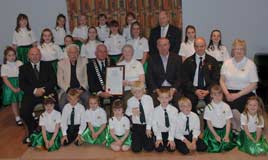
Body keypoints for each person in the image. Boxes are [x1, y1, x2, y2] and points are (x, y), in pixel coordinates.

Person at [19, 47, 58, 144]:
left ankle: (52, 132)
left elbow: (53, 81)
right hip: (31, 94)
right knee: (24, 111)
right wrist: (35, 90)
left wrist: (43, 89)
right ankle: (33, 131)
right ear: (28, 56)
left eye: (37, 54)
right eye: (32, 54)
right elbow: (22, 85)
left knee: (56, 108)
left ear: (40, 55)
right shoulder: (23, 68)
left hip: (47, 92)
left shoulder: (47, 65)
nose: (35, 56)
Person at [220, 39, 258, 133]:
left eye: (241, 49)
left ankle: (239, 129)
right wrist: (227, 93)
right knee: (221, 106)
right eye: (236, 48)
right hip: (228, 92)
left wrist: (237, 95)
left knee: (235, 109)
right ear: (233, 50)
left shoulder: (250, 64)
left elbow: (254, 84)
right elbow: (222, 80)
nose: (239, 51)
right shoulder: (227, 63)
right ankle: (234, 128)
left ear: (245, 50)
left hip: (244, 92)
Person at [182, 37, 220, 113]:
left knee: (212, 104)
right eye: (197, 46)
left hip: (208, 90)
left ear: (205, 46)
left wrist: (208, 90)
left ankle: (208, 123)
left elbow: (215, 79)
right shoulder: (188, 62)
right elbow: (185, 80)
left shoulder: (212, 61)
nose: (199, 49)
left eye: (201, 46)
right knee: (189, 103)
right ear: (194, 47)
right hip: (192, 90)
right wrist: (195, 91)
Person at [146, 38, 183, 107]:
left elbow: (180, 77)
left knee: (179, 103)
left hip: (172, 88)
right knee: (153, 103)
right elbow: (149, 77)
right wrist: (157, 90)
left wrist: (173, 89)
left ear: (169, 45)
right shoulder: (152, 59)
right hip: (158, 88)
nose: (163, 48)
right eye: (160, 45)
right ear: (157, 47)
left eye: (165, 45)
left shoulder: (177, 58)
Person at [203, 85, 236, 152]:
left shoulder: (226, 106)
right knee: (214, 147)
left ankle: (227, 137)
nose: (217, 97)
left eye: (219, 95)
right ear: (211, 95)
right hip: (212, 131)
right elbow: (208, 123)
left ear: (222, 95)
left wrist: (226, 135)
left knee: (226, 145)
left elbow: (228, 122)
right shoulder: (208, 107)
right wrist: (216, 135)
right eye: (215, 95)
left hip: (224, 130)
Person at [57, 44, 89, 110]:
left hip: (81, 89)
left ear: (78, 53)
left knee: (88, 100)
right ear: (68, 54)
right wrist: (68, 90)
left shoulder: (84, 61)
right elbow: (60, 81)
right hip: (67, 90)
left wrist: (82, 89)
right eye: (71, 52)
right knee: (61, 104)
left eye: (76, 52)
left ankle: (86, 119)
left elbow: (87, 77)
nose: (74, 54)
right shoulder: (61, 63)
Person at [126, 81, 154, 152]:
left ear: (143, 90)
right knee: (136, 149)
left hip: (147, 125)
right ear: (132, 92)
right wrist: (132, 111)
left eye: (139, 91)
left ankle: (146, 140)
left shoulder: (148, 99)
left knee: (149, 148)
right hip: (136, 126)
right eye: (134, 92)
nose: (137, 94)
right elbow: (127, 112)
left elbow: (152, 114)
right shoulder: (130, 101)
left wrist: (148, 128)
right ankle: (138, 141)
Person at [1, 47, 23, 126]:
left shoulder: (19, 63)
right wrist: (13, 88)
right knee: (14, 102)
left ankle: (24, 113)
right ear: (6, 56)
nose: (12, 57)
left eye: (13, 55)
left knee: (22, 100)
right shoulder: (4, 66)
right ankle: (17, 117)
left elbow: (23, 75)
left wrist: (21, 85)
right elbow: (5, 79)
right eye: (9, 55)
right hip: (10, 85)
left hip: (19, 83)